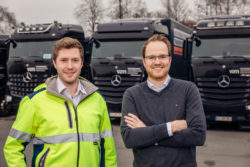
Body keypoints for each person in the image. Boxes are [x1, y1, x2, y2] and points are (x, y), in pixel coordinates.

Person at [4, 37, 117, 167]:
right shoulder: (34, 102)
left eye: (75, 60)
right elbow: (12, 147)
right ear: (55, 63)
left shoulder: (98, 100)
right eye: (64, 60)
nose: (70, 66)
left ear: (82, 63)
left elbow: (108, 151)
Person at [120, 34, 206, 167]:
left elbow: (198, 135)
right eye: (151, 57)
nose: (157, 62)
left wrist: (147, 132)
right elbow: (130, 139)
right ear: (144, 61)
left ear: (170, 59)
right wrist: (171, 127)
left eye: (162, 56)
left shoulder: (188, 90)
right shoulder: (132, 95)